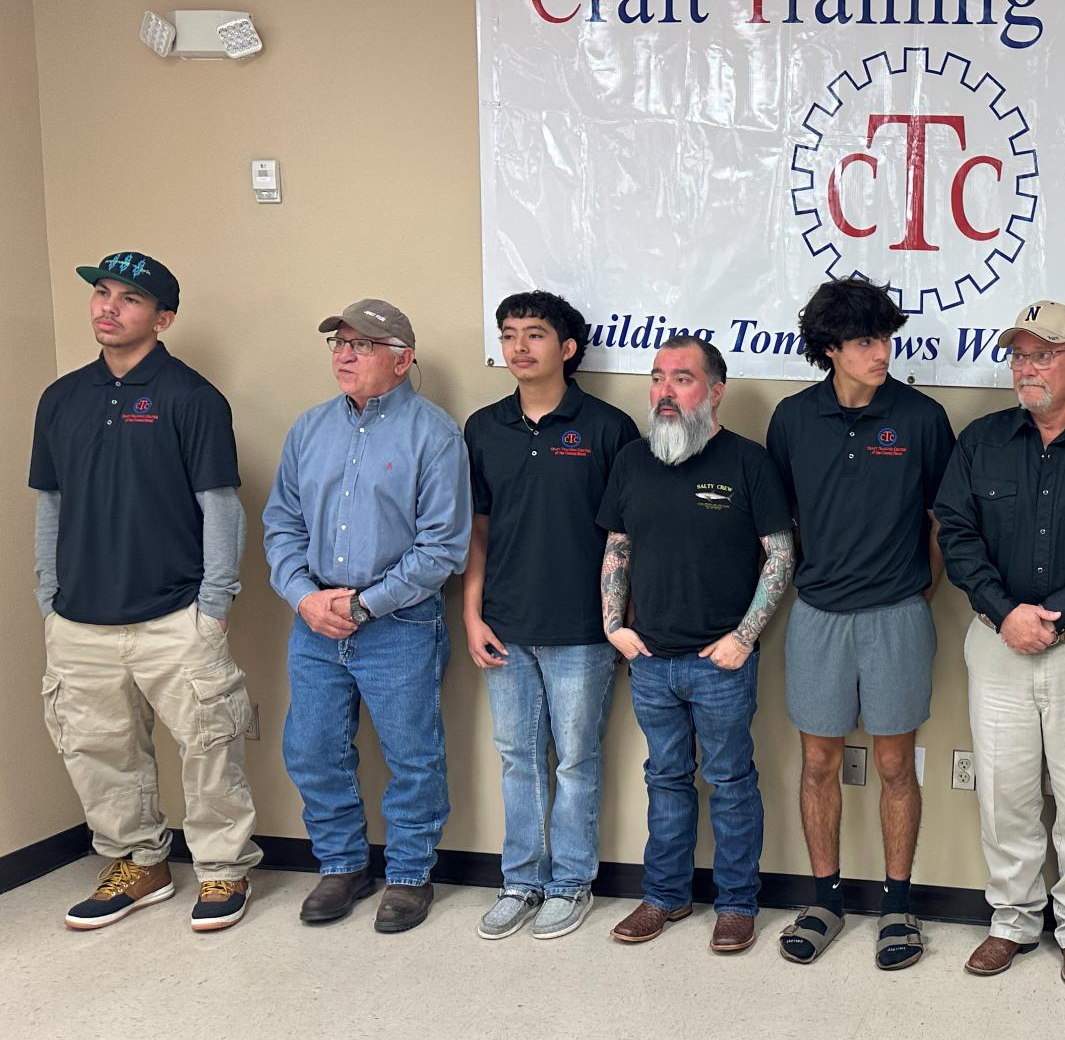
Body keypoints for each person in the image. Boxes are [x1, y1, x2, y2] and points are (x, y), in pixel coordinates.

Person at [34, 251, 261, 933]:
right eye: (101, 294)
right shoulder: (62, 398)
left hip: (176, 616)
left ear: (162, 319)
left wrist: (214, 609)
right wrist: (49, 596)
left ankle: (221, 871)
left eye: (128, 299)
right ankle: (140, 862)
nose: (108, 307)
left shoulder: (190, 398)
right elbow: (50, 503)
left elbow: (221, 507)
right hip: (80, 619)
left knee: (209, 747)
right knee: (98, 752)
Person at [935, 299, 1065, 989]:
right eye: (1019, 356)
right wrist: (1006, 614)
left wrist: (1052, 613)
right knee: (1005, 790)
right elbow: (957, 535)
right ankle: (1013, 920)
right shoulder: (981, 442)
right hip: (998, 644)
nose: (1027, 368)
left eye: (1043, 354)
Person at [764, 277, 954, 970]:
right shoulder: (791, 419)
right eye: (866, 342)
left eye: (885, 339)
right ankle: (826, 899)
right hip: (816, 616)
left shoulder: (922, 418)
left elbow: (941, 519)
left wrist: (916, 591)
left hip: (896, 616)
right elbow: (779, 522)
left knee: (896, 762)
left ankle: (898, 903)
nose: (882, 353)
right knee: (817, 762)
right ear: (830, 349)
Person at [265, 299, 471, 933]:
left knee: (412, 756)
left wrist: (363, 603)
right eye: (338, 344)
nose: (344, 355)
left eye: (361, 345)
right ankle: (342, 865)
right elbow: (281, 526)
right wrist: (304, 596)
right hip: (315, 621)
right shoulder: (308, 429)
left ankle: (409, 876)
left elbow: (443, 545)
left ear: (402, 360)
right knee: (312, 749)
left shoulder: (435, 435)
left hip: (399, 624)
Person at [598, 336, 794, 954]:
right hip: (651, 660)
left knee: (732, 781)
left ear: (714, 392)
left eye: (680, 379)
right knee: (665, 778)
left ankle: (737, 904)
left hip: (721, 663)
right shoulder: (631, 461)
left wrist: (744, 638)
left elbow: (781, 555)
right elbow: (617, 548)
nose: (663, 390)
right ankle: (664, 895)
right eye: (657, 378)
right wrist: (613, 626)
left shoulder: (747, 462)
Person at [463, 291, 639, 941]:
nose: (518, 347)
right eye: (509, 334)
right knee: (517, 758)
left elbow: (625, 539)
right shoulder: (484, 427)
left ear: (566, 348)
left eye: (534, 334)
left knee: (575, 760)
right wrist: (473, 614)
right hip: (505, 626)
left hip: (582, 632)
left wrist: (617, 621)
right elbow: (477, 530)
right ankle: (521, 882)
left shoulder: (606, 428)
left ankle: (570, 884)